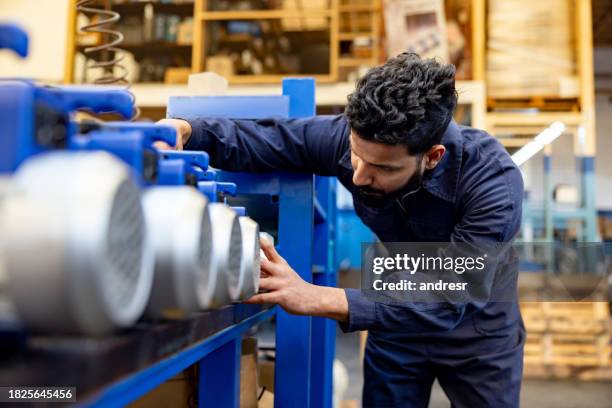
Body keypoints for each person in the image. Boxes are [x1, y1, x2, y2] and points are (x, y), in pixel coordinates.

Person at [158, 52, 525, 408]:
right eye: (355, 154)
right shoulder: (355, 140)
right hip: (394, 317)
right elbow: (270, 140)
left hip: (478, 332)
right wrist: (190, 131)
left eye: (381, 168)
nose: (360, 174)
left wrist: (318, 297)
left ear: (432, 157)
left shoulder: (493, 183)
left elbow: (451, 296)